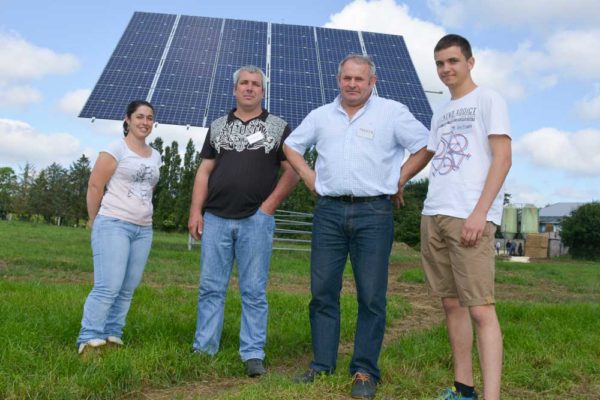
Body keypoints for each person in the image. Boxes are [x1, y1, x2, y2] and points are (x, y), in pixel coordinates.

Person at [284, 54, 431, 399]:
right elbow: (291, 146)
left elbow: (425, 146)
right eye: (346, 78)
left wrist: (401, 179)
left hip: (374, 214)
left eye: (359, 79)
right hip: (329, 212)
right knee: (322, 292)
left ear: (372, 82)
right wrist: (309, 176)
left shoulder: (392, 113)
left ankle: (364, 370)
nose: (352, 84)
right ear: (338, 80)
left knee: (371, 296)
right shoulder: (321, 116)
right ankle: (321, 364)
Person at [188, 65, 298, 377]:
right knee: (211, 287)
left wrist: (269, 206)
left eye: (256, 85)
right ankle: (204, 347)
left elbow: (293, 170)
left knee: (253, 290)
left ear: (263, 91)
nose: (249, 88)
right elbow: (204, 171)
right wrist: (196, 211)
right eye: (244, 84)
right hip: (216, 218)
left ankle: (252, 353)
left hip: (256, 221)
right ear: (235, 90)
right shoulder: (218, 125)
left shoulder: (278, 127)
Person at [420, 34, 512, 400]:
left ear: (470, 62)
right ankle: (464, 388)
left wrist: (480, 213)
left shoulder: (488, 99)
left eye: (453, 61)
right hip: (435, 213)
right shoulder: (440, 111)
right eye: (440, 63)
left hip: (468, 216)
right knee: (451, 304)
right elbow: (432, 157)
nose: (446, 69)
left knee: (481, 309)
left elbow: (502, 158)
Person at [77, 100, 161, 354]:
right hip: (113, 223)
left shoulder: (156, 155)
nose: (144, 122)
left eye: (149, 118)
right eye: (139, 117)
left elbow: (149, 189)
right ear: (127, 119)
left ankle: (113, 335)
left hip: (143, 229)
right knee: (108, 285)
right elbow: (95, 186)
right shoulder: (116, 149)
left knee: (127, 288)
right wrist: (95, 220)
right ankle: (89, 339)